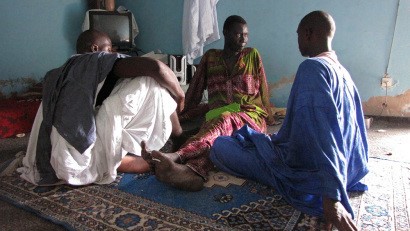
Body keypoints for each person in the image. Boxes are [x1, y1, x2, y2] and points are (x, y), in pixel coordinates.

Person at [210, 11, 368, 231]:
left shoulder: (312, 68)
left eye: (298, 35)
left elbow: (324, 133)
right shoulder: (343, 72)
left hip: (309, 172)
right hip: (347, 168)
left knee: (220, 147)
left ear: (308, 33)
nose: (298, 41)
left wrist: (331, 197)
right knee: (255, 138)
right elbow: (356, 132)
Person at [17, 29, 185, 186]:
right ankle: (177, 142)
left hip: (48, 152)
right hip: (78, 151)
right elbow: (155, 67)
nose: (112, 53)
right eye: (110, 49)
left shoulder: (57, 72)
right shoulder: (96, 59)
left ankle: (150, 159)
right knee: (155, 82)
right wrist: (179, 95)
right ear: (95, 48)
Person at [142, 15, 277, 191]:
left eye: (246, 34)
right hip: (217, 114)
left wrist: (269, 117)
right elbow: (195, 90)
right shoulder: (210, 57)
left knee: (223, 120)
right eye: (238, 34)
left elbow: (264, 89)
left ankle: (176, 156)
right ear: (226, 33)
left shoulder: (252, 55)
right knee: (215, 136)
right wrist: (179, 114)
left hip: (249, 114)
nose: (243, 39)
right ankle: (190, 173)